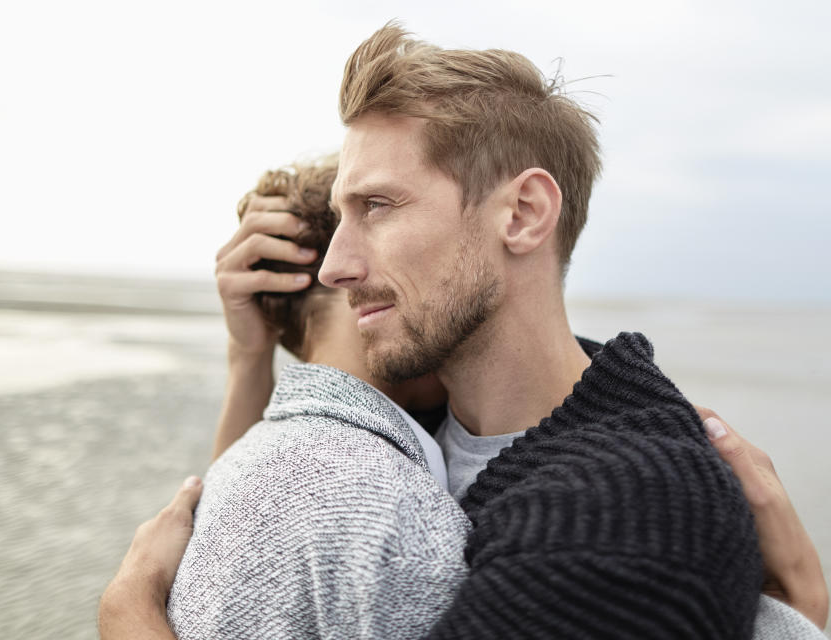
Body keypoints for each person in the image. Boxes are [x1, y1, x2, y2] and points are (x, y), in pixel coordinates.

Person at [99, 24, 829, 639]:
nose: (335, 268)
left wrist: (131, 615)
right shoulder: (438, 414)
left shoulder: (626, 517)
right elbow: (270, 505)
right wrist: (249, 358)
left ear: (522, 215)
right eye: (341, 216)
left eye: (379, 206)